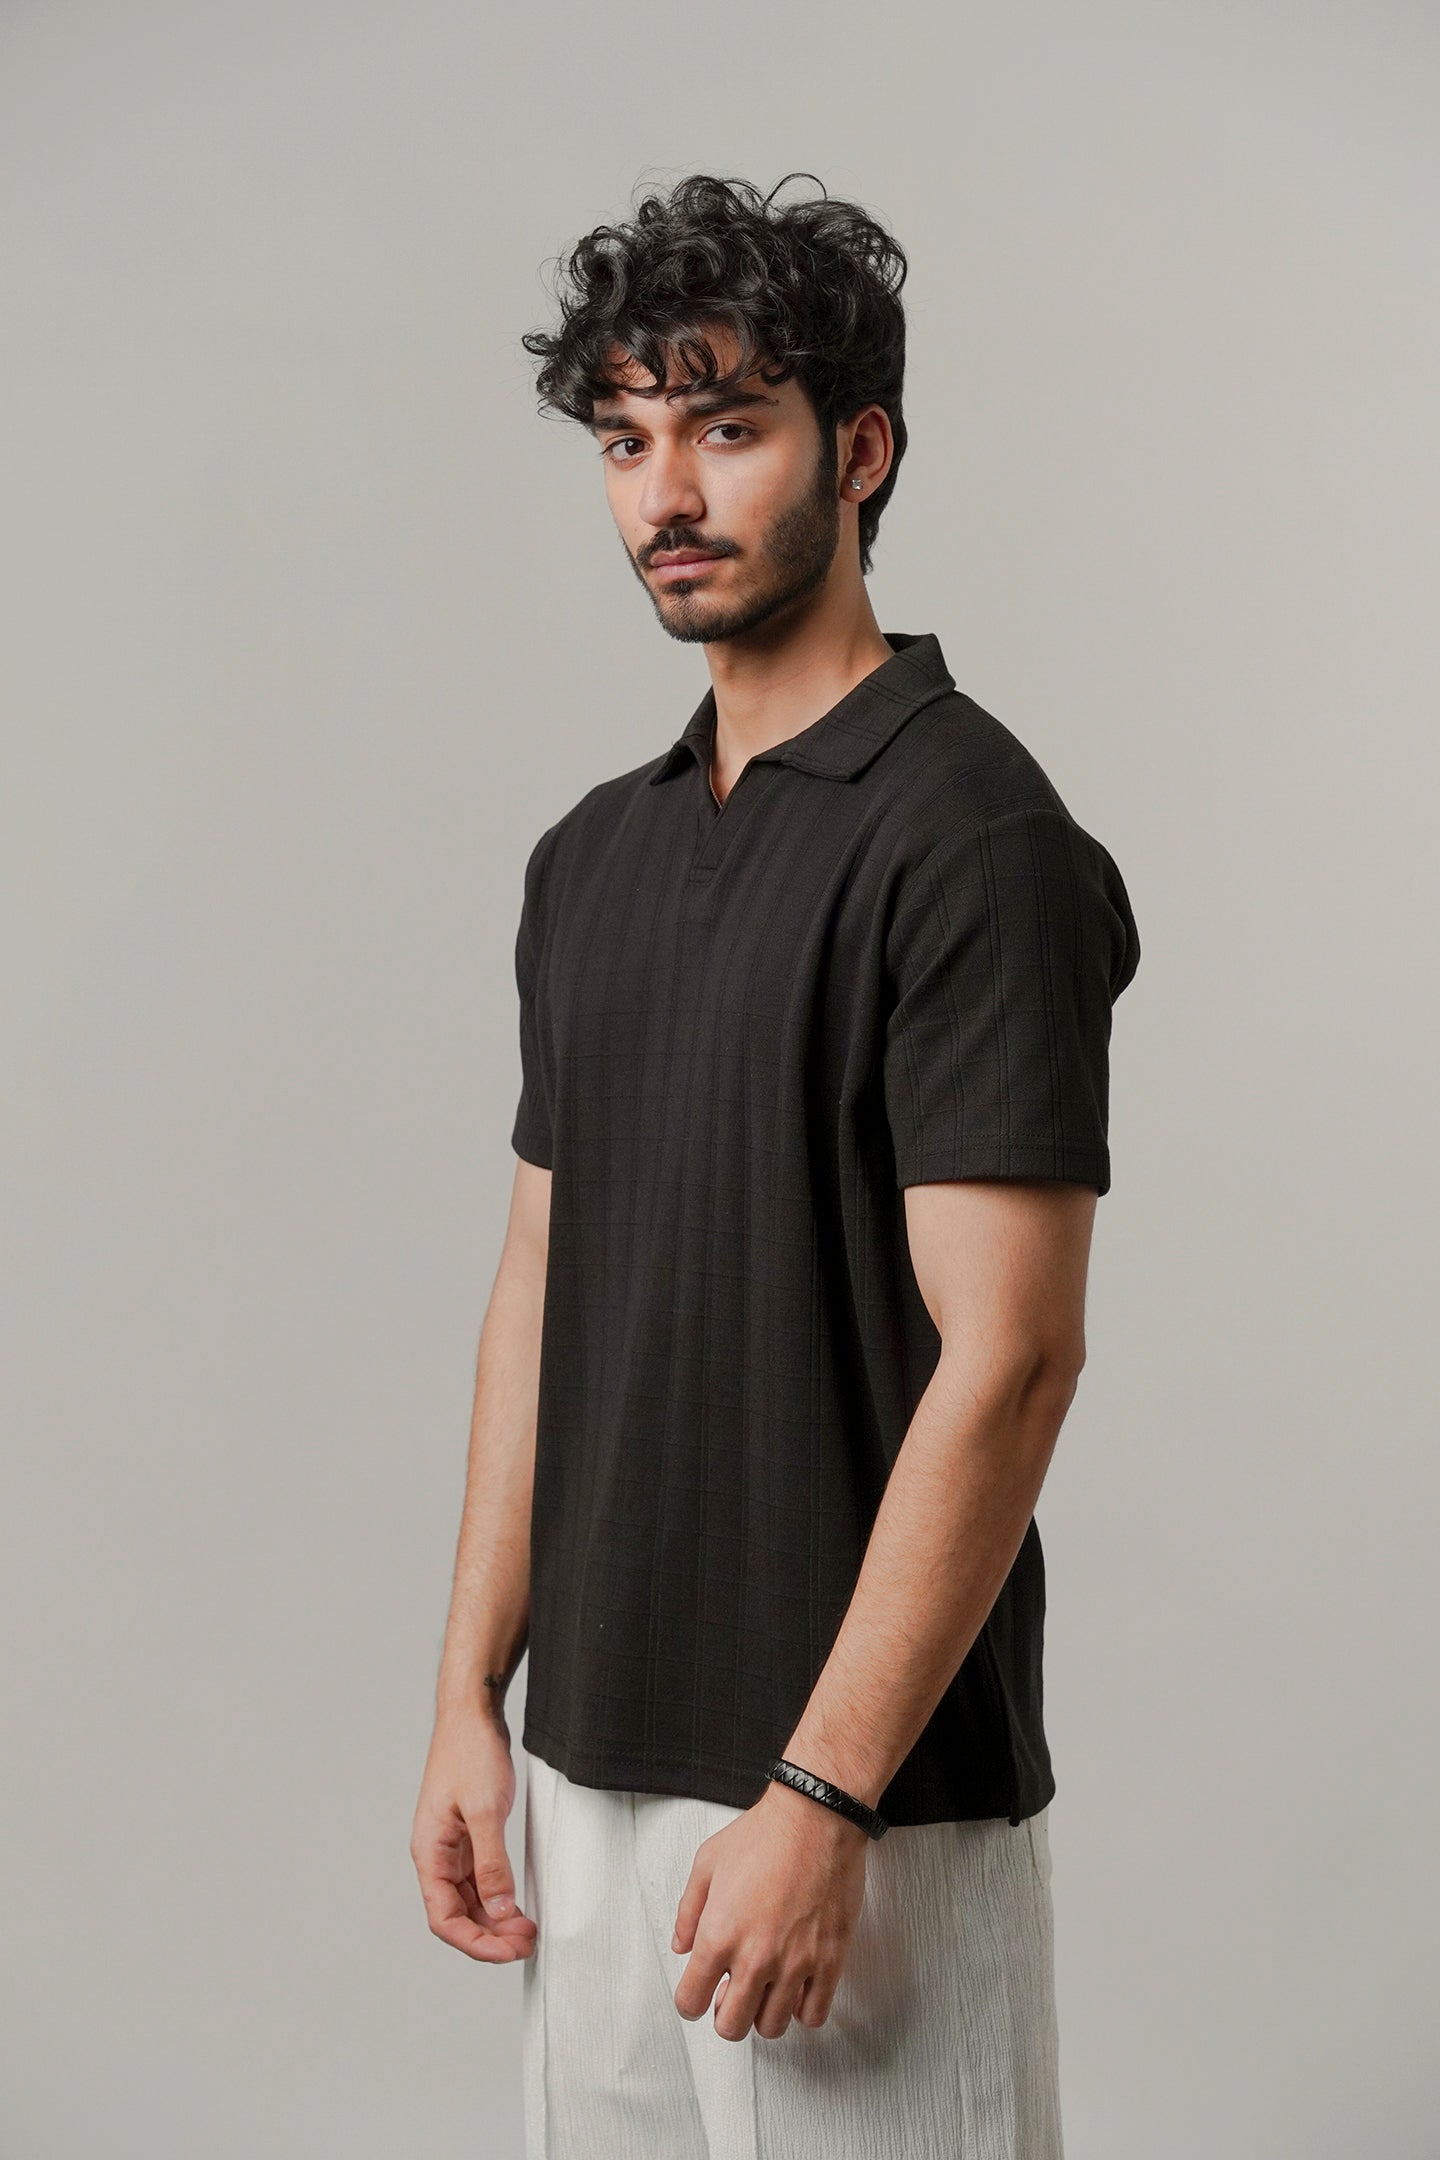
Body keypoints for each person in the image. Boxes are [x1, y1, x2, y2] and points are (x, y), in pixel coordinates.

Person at [411, 171, 1141, 2159]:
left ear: (860, 450)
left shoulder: (971, 837)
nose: (668, 492)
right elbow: (540, 1294)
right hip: (587, 1778)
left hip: (861, 1807)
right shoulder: (592, 858)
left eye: (728, 427)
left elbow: (1014, 1356)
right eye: (627, 439)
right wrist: (472, 1693)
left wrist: (823, 1794)